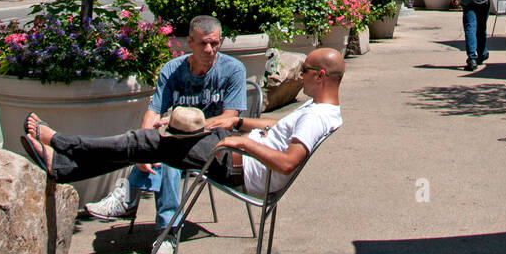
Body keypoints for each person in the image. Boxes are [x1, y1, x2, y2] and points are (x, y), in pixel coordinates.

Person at [20, 47, 344, 214]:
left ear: (320, 76)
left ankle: (62, 146)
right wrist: (238, 123)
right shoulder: (319, 109)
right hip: (232, 152)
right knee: (148, 143)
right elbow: (278, 126)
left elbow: (286, 162)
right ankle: (62, 164)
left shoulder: (317, 116)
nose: (299, 76)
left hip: (235, 164)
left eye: (304, 71)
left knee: (144, 140)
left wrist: (241, 144)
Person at [84, 15, 247, 254]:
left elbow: (229, 118)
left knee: (171, 149)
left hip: (217, 141)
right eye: (203, 43)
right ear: (189, 42)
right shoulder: (173, 70)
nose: (209, 49)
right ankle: (165, 231)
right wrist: (143, 151)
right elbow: (153, 113)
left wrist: (186, 127)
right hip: (178, 140)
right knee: (167, 146)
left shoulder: (232, 69)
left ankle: (131, 199)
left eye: (215, 43)